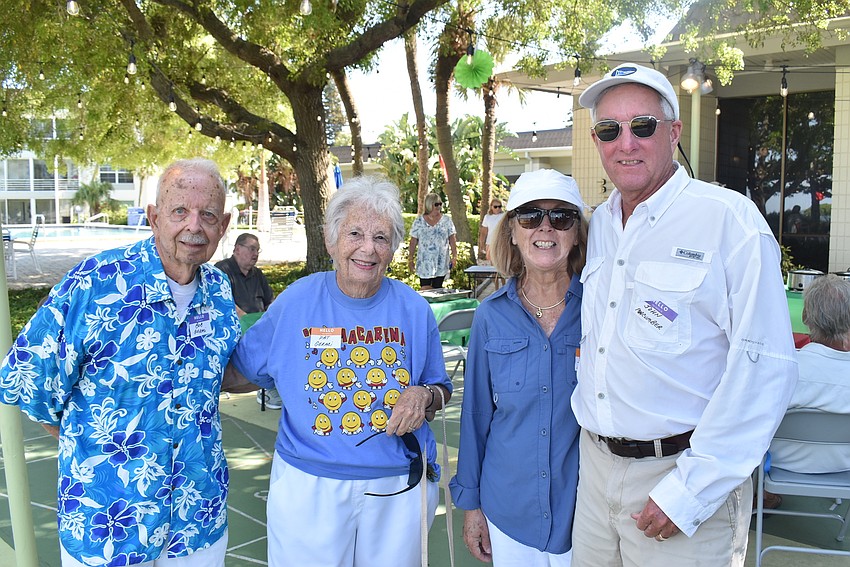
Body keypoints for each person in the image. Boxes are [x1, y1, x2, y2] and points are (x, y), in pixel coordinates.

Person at [571, 63, 798, 566]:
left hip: (680, 473)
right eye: (610, 129)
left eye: (643, 126)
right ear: (596, 140)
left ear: (673, 133)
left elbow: (764, 367)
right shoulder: (601, 224)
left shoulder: (728, 222)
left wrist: (691, 491)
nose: (625, 143)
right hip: (595, 470)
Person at [0, 158, 240, 567]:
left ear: (224, 224)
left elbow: (218, 375)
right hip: (106, 525)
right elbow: (30, 380)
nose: (194, 226)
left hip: (196, 520)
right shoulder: (96, 283)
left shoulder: (218, 290)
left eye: (208, 214)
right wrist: (98, 450)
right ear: (153, 217)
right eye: (180, 211)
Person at [227, 176, 453, 566]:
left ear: (394, 248)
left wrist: (425, 395)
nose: (368, 248)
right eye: (355, 233)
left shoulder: (414, 309)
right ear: (331, 241)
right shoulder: (296, 301)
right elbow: (241, 372)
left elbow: (439, 388)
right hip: (309, 483)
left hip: (397, 483)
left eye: (381, 238)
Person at [451, 169, 585, 566]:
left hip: (584, 512)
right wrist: (471, 505)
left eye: (561, 217)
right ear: (511, 230)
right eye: (530, 216)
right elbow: (476, 415)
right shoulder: (490, 316)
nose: (546, 228)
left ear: (577, 232)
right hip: (507, 509)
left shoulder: (600, 307)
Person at [769, 274, 850, 474]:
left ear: (805, 317)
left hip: (781, 466)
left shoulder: (781, 371)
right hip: (845, 467)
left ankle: (768, 496)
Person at [215, 232, 281, 410]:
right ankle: (269, 384)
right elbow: (226, 305)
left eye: (257, 250)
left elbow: (270, 302)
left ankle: (274, 384)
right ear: (237, 249)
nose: (255, 254)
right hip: (235, 327)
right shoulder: (222, 270)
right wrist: (252, 323)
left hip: (259, 326)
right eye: (252, 249)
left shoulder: (257, 273)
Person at [408, 192, 458, 289]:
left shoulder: (446, 220)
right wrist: (410, 258)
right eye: (436, 204)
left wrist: (454, 256)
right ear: (429, 204)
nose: (439, 207)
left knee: (438, 288)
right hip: (424, 262)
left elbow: (452, 239)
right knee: (425, 288)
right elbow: (413, 241)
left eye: (440, 204)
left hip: (441, 261)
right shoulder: (419, 221)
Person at [478, 198, 505, 263]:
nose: (498, 208)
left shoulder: (504, 216)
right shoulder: (487, 217)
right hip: (490, 243)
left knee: (501, 262)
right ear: (491, 207)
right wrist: (482, 244)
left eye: (499, 206)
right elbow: (484, 232)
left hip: (501, 243)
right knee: (491, 262)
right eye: (495, 207)